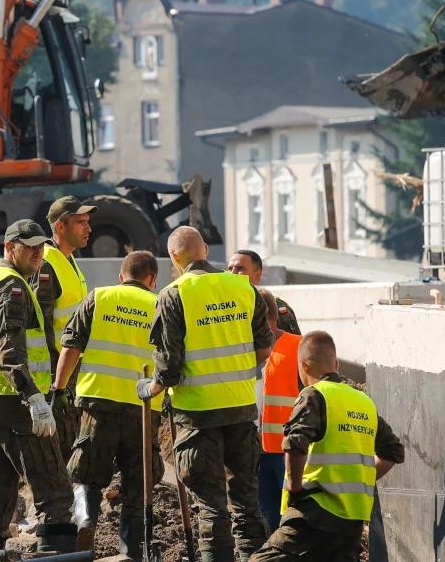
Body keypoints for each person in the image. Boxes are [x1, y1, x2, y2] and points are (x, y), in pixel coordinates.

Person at [136, 226, 275, 561]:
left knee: (212, 506)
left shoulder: (174, 294)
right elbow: (264, 346)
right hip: (241, 410)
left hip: (198, 416)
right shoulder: (243, 287)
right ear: (206, 250)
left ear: (173, 256)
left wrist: (150, 388)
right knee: (245, 503)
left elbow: (169, 365)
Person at [0, 219, 78, 553]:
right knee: (54, 489)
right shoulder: (10, 287)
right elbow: (7, 350)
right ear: (9, 248)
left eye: (41, 246)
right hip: (14, 402)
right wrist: (33, 398)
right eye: (29, 247)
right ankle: (57, 556)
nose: (38, 253)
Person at [250, 332, 405, 561]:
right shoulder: (363, 401)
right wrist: (359, 480)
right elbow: (393, 452)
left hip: (314, 514)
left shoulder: (314, 395)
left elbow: (295, 443)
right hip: (351, 520)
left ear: (302, 365)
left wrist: (295, 489)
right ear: (336, 364)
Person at [52, 250, 162, 557]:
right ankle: (132, 550)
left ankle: (85, 518)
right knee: (138, 485)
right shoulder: (161, 306)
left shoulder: (99, 297)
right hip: (144, 409)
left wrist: (59, 388)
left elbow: (70, 346)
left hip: (98, 404)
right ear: (152, 279)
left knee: (85, 473)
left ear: (121, 276)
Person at [38, 195, 95, 459]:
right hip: (56, 372)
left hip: (70, 367)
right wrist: (54, 379)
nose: (88, 228)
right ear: (60, 226)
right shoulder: (47, 264)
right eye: (80, 222)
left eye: (87, 222)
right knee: (61, 445)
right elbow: (41, 326)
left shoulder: (68, 261)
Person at [254, 288, 301, 532]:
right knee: (266, 519)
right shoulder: (244, 350)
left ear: (269, 317)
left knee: (291, 519)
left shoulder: (297, 347)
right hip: (257, 453)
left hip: (288, 452)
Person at [227, 250, 300, 335]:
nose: (232, 273)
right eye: (230, 269)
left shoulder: (276, 307)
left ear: (257, 275)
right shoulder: (221, 307)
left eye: (240, 268)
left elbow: (294, 343)